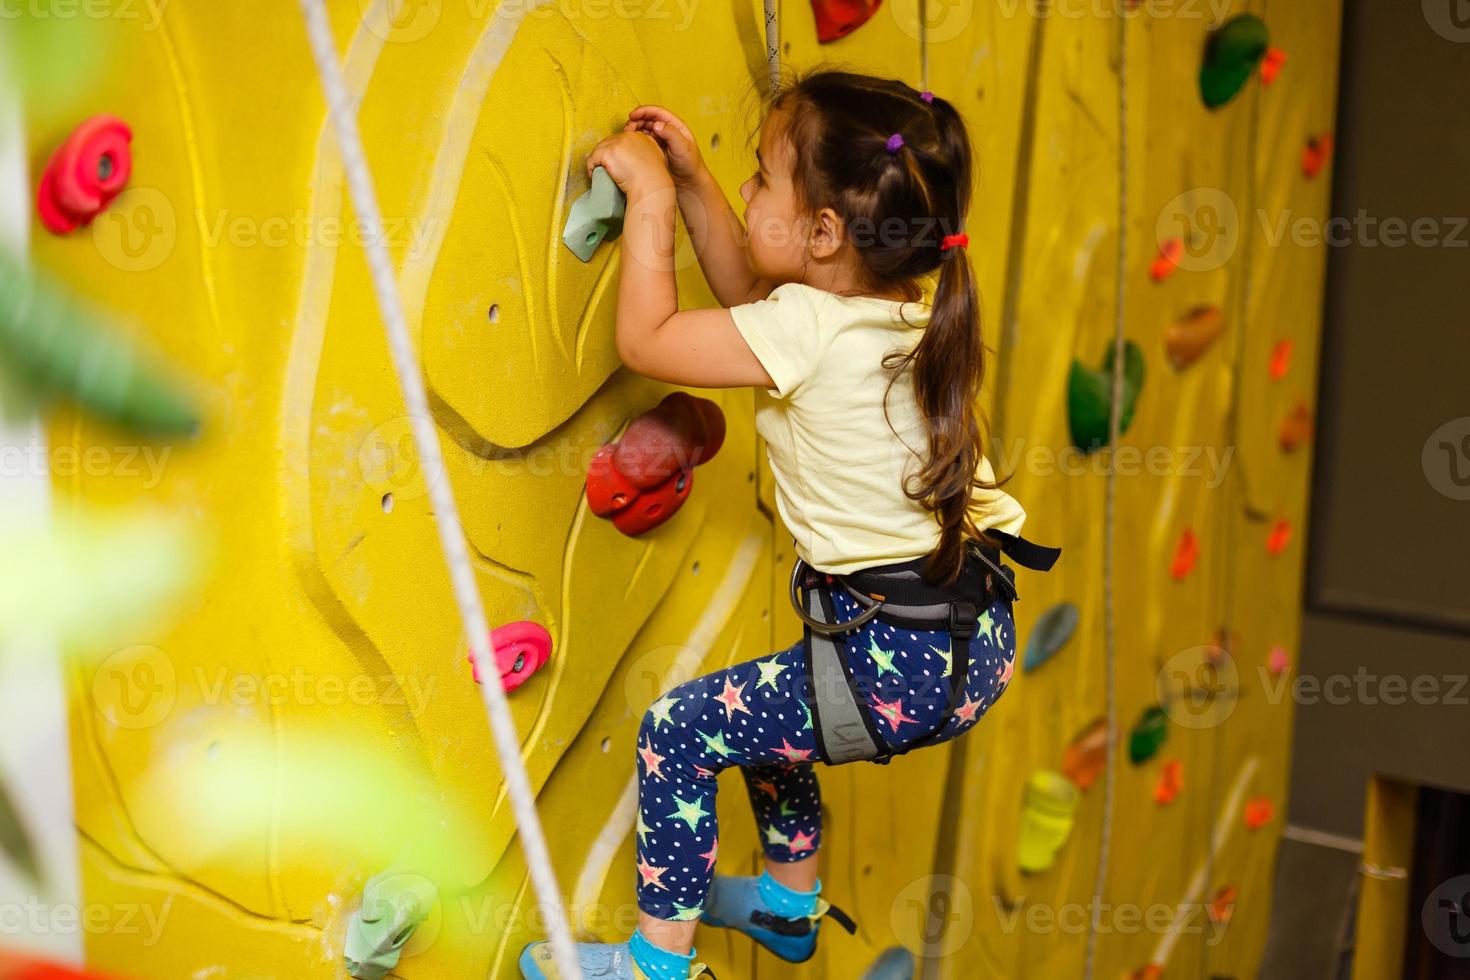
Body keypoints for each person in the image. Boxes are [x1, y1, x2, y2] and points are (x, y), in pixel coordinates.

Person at [521, 68, 1057, 980]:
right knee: (768, 718)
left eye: (760, 179)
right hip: (970, 641)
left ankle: (658, 963)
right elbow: (756, 309)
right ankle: (786, 902)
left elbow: (651, 341)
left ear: (822, 232)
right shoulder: (901, 317)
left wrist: (648, 196)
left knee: (678, 733)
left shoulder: (810, 330)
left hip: (900, 654)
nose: (745, 189)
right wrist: (692, 181)